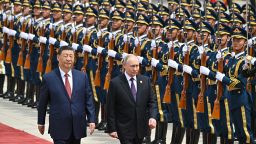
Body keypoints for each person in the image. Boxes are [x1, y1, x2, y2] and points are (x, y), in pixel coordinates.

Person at [37, 46, 96, 144]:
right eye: (65, 56)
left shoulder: (82, 76)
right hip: (59, 125)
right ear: (58, 57)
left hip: (77, 125)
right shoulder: (49, 78)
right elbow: (42, 103)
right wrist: (40, 122)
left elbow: (88, 99)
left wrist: (92, 119)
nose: (68, 59)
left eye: (71, 56)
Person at [107, 54, 157, 144]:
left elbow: (152, 101)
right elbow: (110, 107)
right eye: (132, 66)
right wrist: (112, 128)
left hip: (141, 128)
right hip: (124, 128)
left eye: (137, 66)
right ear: (124, 66)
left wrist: (152, 117)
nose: (135, 69)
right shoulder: (115, 83)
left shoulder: (145, 81)